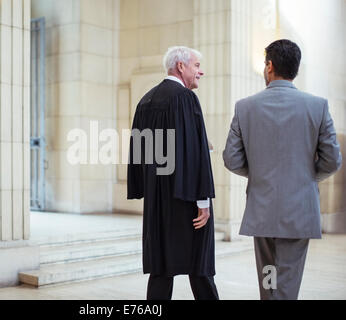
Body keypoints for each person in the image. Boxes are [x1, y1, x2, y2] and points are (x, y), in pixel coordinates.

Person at [223, 39, 342, 300]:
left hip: (262, 210)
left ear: (270, 66)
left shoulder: (245, 107)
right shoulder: (317, 106)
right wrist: (308, 175)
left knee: (268, 278)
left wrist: (259, 173)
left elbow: (231, 159)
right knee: (287, 280)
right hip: (299, 209)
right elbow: (332, 160)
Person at [127, 46, 219, 300]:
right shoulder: (185, 98)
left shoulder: (145, 100)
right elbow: (194, 153)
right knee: (200, 269)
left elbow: (139, 153)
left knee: (161, 268)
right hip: (187, 198)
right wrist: (203, 201)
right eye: (197, 65)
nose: (201, 71)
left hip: (158, 201)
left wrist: (146, 188)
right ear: (181, 66)